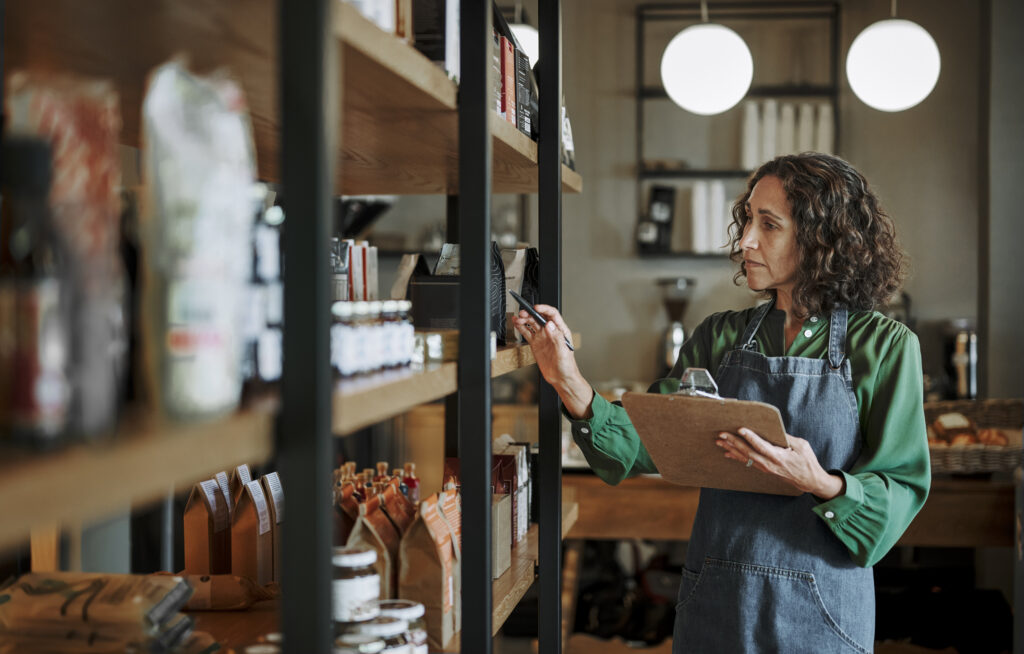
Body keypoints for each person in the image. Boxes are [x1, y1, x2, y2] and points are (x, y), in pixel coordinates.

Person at [513, 152, 930, 653]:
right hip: (716, 603)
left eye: (769, 225)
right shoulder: (720, 337)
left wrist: (817, 481)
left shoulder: (884, 346)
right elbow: (643, 443)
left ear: (822, 239)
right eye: (748, 219)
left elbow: (900, 490)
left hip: (823, 614)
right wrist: (567, 378)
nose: (745, 240)